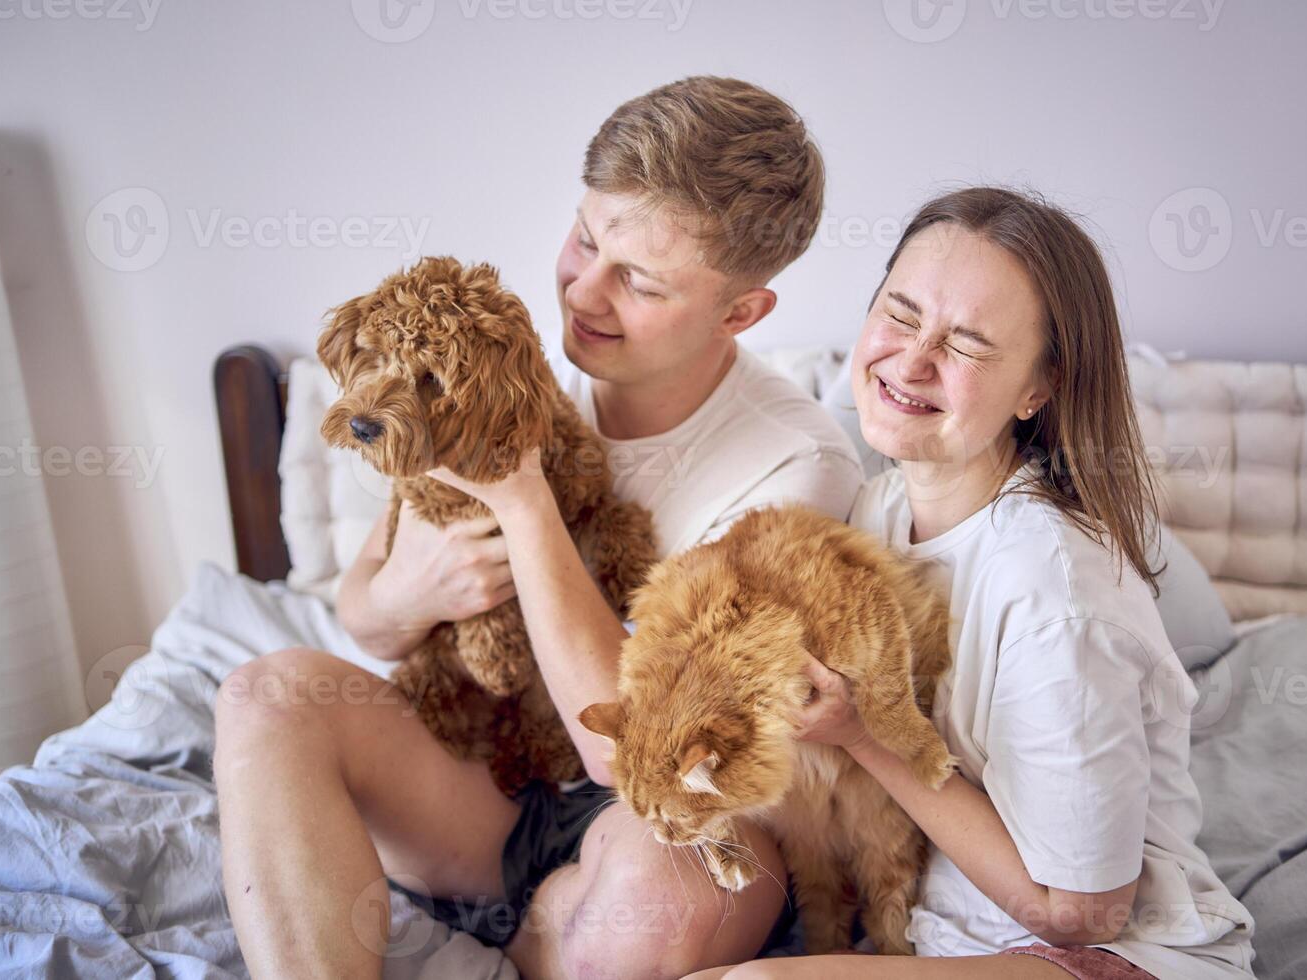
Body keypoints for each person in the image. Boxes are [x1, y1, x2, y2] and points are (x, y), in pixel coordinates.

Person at [213, 75, 863, 980]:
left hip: (648, 814)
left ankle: (536, 936)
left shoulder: (795, 467)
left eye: (637, 280)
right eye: (585, 240)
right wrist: (416, 588)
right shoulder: (517, 367)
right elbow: (359, 616)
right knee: (263, 695)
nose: (584, 295)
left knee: (700, 884)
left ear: (741, 312)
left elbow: (627, 754)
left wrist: (523, 503)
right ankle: (529, 931)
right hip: (483, 789)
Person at [691, 187, 1255, 980]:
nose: (912, 362)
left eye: (968, 344)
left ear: (1038, 387)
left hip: (1105, 956)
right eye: (901, 312)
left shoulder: (1055, 597)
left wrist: (865, 734)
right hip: (942, 935)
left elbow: (1082, 913)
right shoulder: (880, 509)